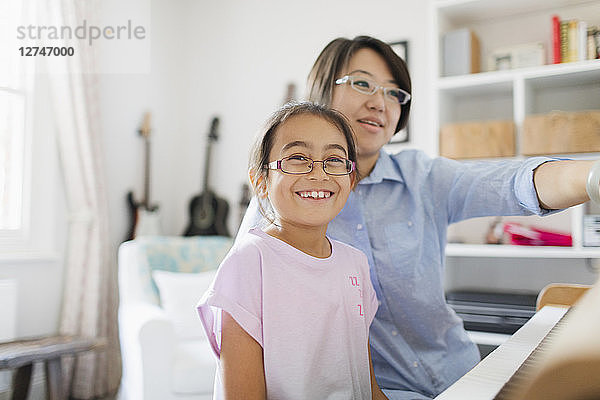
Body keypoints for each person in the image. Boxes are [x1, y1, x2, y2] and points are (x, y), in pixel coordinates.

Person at [237, 35, 599, 399]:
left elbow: (511, 181)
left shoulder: (422, 176)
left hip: (464, 374)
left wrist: (591, 177)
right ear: (321, 92)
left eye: (395, 93)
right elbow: (247, 332)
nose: (380, 102)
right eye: (362, 83)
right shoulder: (279, 205)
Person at [197, 102, 389, 399]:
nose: (319, 173)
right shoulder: (249, 261)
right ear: (261, 182)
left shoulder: (355, 263)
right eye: (298, 157)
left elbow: (366, 385)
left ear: (350, 180)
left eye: (334, 159)